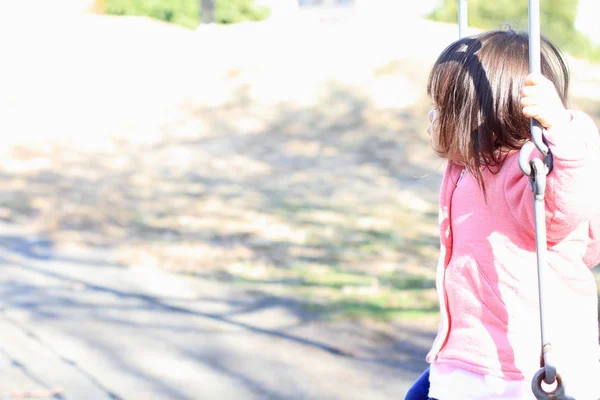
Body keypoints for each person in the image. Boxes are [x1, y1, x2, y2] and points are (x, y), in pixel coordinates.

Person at [405, 29, 600, 400]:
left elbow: (567, 209)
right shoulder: (467, 168)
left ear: (478, 115)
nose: (431, 117)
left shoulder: (529, 170)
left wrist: (560, 128)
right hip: (468, 356)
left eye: (443, 108)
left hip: (522, 369)